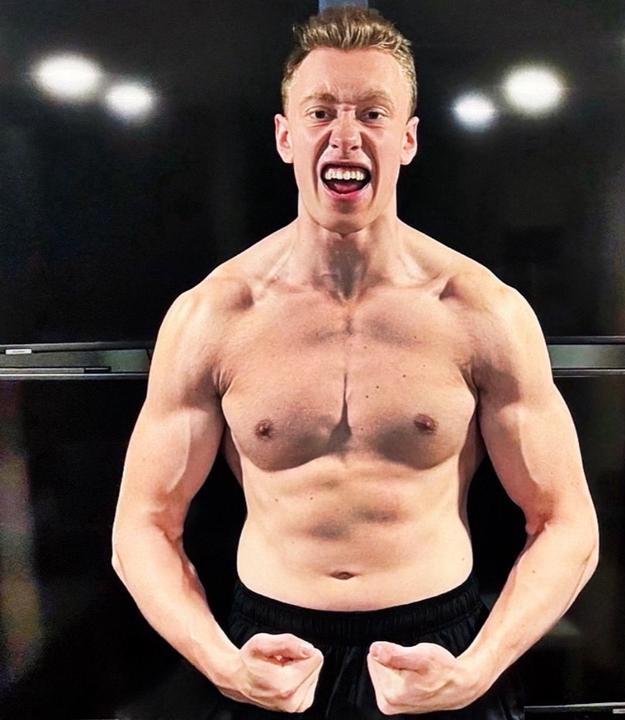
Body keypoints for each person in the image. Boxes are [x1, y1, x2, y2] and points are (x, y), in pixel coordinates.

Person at [111, 6, 599, 719]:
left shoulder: (481, 311)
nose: (345, 136)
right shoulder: (214, 315)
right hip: (269, 656)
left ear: (407, 139)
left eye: (372, 113)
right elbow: (142, 526)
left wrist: (478, 668)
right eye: (320, 113)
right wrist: (222, 664)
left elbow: (566, 522)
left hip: (439, 651)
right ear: (286, 137)